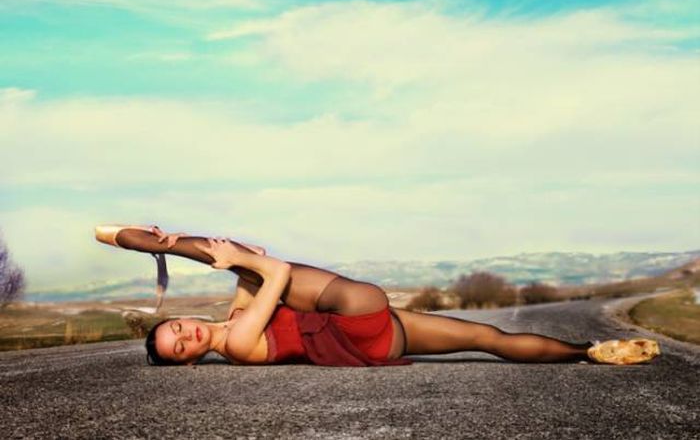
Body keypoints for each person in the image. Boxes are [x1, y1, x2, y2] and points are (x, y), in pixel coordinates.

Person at [94, 225, 661, 367]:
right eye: (180, 347)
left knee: (487, 339)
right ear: (192, 361)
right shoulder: (240, 341)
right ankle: (140, 239)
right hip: (354, 318)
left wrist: (174, 245)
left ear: (187, 318)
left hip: (376, 341)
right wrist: (240, 260)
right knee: (270, 270)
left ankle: (588, 350)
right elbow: (272, 269)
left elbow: (244, 259)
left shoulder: (235, 317)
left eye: (177, 328)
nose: (186, 335)